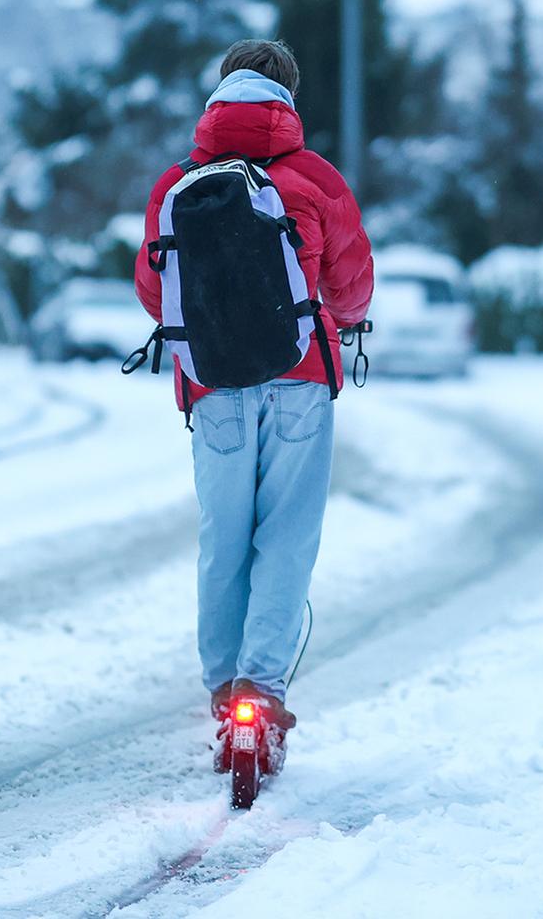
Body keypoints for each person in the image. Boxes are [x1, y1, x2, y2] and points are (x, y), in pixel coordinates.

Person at [134, 38, 374, 739]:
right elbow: (351, 286)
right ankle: (260, 693)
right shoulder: (315, 177)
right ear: (289, 99)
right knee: (287, 537)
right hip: (299, 378)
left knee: (224, 539)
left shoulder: (176, 182)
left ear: (220, 95)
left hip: (213, 388)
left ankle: (221, 692)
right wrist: (347, 318)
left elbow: (155, 294)